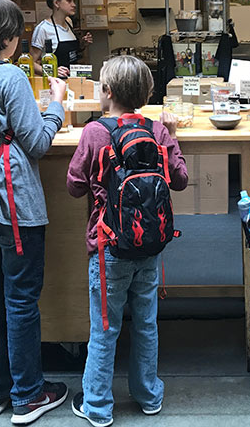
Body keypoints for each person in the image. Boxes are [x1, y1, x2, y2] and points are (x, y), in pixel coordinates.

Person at [0, 0, 69, 425]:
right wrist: (56, 104)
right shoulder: (8, 76)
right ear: (6, 38)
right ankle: (27, 395)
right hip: (14, 205)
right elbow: (38, 143)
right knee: (21, 299)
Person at [66, 55, 188, 427]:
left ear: (106, 91)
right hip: (149, 245)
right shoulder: (157, 130)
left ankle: (98, 407)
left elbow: (73, 186)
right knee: (146, 324)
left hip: (107, 247)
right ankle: (149, 396)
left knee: (105, 328)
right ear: (148, 93)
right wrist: (173, 136)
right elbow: (179, 179)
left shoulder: (94, 132)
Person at [31, 0, 94, 78]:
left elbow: (70, 53)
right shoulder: (43, 28)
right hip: (56, 83)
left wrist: (82, 44)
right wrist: (52, 72)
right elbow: (31, 63)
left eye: (74, 1)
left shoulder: (69, 22)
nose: (74, 5)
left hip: (73, 78)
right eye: (69, 1)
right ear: (56, 3)